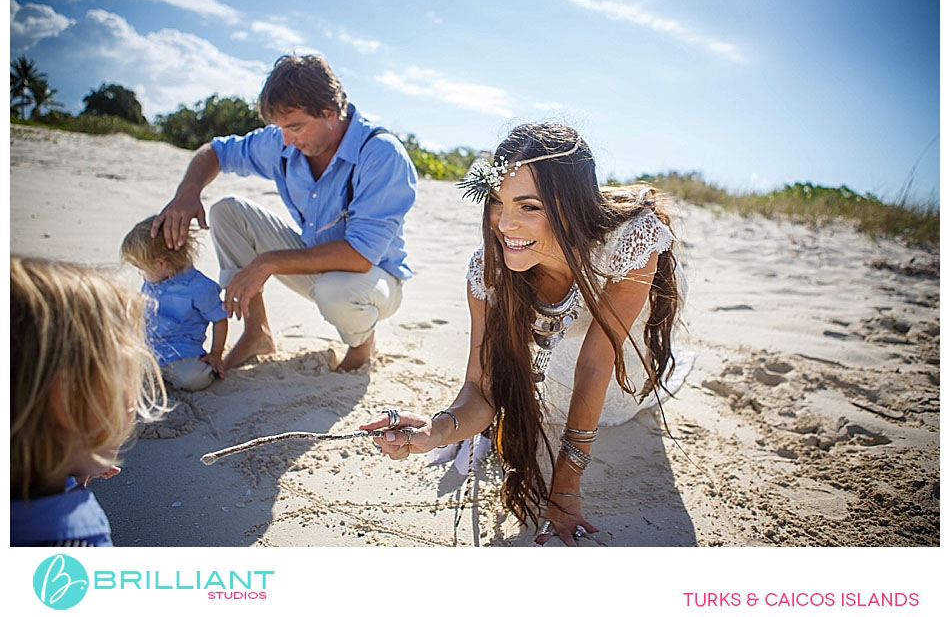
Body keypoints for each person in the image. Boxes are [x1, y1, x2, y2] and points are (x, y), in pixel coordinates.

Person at [363, 123, 692, 546]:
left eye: (529, 207)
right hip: (561, 351)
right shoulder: (489, 270)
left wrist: (566, 483)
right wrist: (437, 431)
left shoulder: (628, 241)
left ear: (569, 206)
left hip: (623, 346)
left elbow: (596, 363)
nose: (506, 224)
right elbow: (480, 386)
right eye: (498, 203)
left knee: (613, 404)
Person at [151, 54, 417, 372]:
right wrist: (188, 191)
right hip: (314, 261)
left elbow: (360, 256)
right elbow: (216, 151)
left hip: (373, 280)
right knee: (226, 212)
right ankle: (256, 333)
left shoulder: (382, 154)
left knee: (336, 291)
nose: (287, 140)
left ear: (331, 112)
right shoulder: (283, 140)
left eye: (295, 127)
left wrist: (267, 263)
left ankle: (361, 345)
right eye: (280, 129)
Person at [10, 257, 168, 547]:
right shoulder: (71, 544)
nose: (134, 396)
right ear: (69, 402)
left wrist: (75, 470)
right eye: (125, 377)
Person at [121, 216, 229, 392]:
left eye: (141, 268)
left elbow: (220, 319)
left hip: (182, 353)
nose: (141, 274)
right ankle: (156, 375)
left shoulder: (200, 288)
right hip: (151, 348)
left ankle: (167, 375)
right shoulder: (153, 281)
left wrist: (216, 353)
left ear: (161, 264)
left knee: (194, 379)